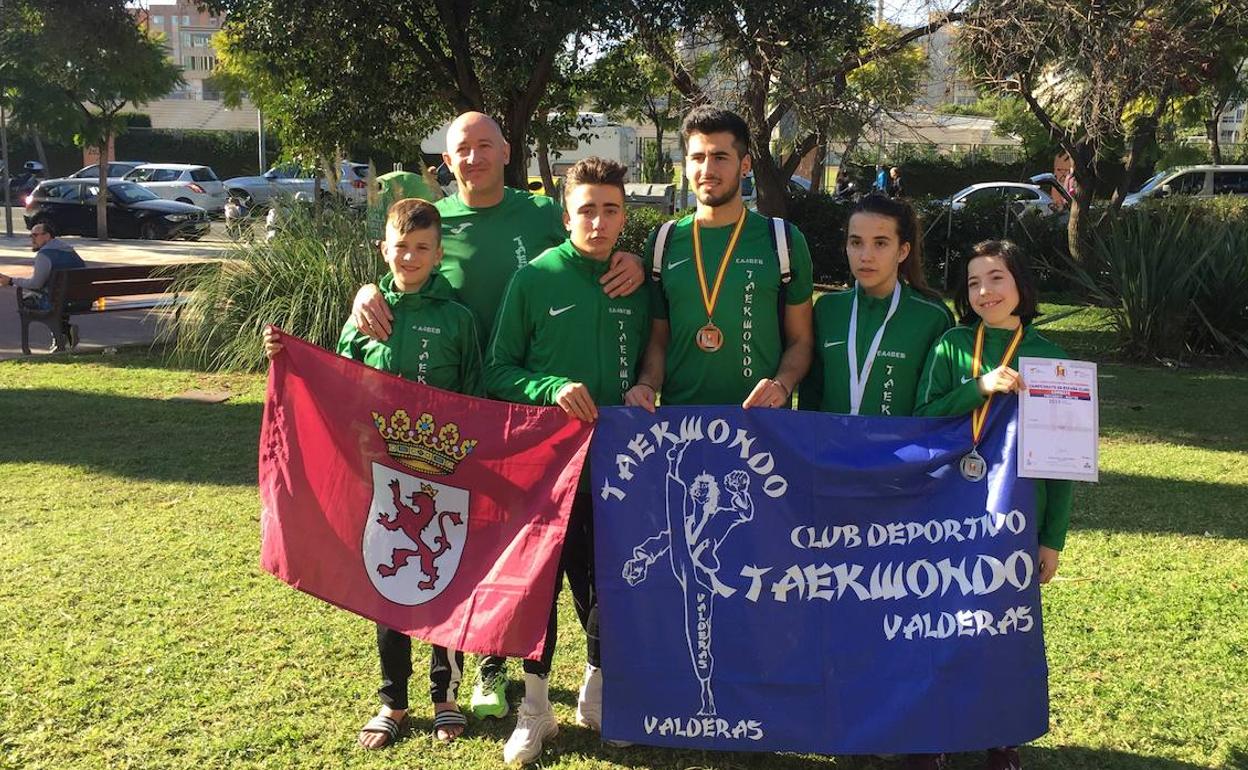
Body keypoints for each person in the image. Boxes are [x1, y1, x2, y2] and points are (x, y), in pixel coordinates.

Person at [348, 111, 645, 721]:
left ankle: (566, 671)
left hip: (526, 415)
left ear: (507, 151)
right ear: (447, 158)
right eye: (464, 148)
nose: (475, 157)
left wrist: (636, 262)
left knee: (534, 554)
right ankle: (487, 668)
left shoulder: (540, 213)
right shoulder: (433, 218)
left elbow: (591, 229)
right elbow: (401, 265)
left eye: (486, 145)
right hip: (454, 409)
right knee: (473, 544)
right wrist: (365, 293)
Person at [263, 198, 483, 748]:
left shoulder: (458, 319)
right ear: (383, 249)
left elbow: (478, 398)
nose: (409, 257)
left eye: (422, 248)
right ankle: (392, 700)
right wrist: (284, 357)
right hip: (381, 477)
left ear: (438, 253)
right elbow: (335, 386)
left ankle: (445, 696)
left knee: (440, 582)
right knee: (387, 583)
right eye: (400, 247)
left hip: (442, 478)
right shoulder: (364, 317)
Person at [482, 157, 650, 763]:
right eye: (586, 209)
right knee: (540, 589)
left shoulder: (637, 282)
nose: (598, 222)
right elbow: (497, 368)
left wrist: (646, 386)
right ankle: (534, 708)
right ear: (566, 215)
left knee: (608, 586)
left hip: (621, 468)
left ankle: (598, 693)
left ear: (624, 216)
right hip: (548, 470)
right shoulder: (535, 279)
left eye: (610, 210)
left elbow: (657, 355)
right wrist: (549, 387)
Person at [914, 239, 1074, 770]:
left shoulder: (1052, 358)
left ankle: (999, 736)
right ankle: (931, 732)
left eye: (997, 277)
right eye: (975, 281)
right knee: (938, 620)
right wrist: (977, 387)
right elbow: (923, 418)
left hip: (1015, 515)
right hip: (946, 509)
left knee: (1000, 625)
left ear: (1020, 285)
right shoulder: (952, 345)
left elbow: (1063, 462)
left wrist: (1051, 538)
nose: (985, 291)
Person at [626, 105, 814, 413]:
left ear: (745, 165)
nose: (707, 169)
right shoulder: (663, 241)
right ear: (685, 164)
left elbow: (801, 341)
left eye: (720, 157)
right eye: (698, 158)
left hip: (759, 424)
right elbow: (658, 341)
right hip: (681, 423)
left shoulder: (782, 240)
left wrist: (782, 384)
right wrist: (647, 384)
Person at [798, 194, 953, 417]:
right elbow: (810, 397)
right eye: (856, 242)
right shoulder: (827, 310)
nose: (866, 256)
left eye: (880, 243)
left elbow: (937, 405)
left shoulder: (933, 317)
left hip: (899, 450)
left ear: (903, 251)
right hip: (830, 449)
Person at [0, 222, 87, 351]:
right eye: (31, 236)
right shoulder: (71, 251)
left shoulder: (44, 255)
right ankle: (64, 334)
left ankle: (61, 336)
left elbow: (36, 284)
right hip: (82, 301)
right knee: (57, 297)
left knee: (30, 299)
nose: (32, 239)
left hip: (58, 302)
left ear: (47, 236)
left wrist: (11, 281)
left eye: (35, 235)